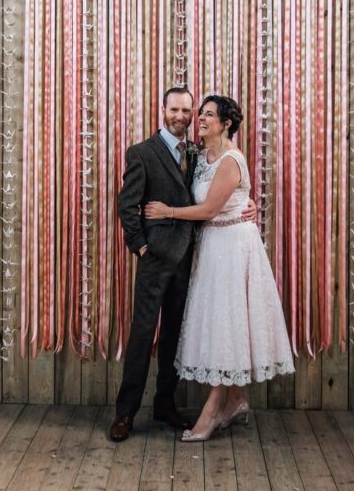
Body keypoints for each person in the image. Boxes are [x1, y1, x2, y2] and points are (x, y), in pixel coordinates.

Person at [144, 95, 294, 442]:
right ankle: (236, 400)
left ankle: (212, 409)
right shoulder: (200, 155)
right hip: (212, 247)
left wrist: (167, 211)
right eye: (201, 114)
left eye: (208, 115)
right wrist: (247, 202)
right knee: (220, 322)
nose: (200, 119)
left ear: (226, 124)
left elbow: (210, 209)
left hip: (233, 247)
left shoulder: (230, 159)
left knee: (229, 321)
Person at [109, 87, 255, 442]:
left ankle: (165, 405)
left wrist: (249, 207)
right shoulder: (142, 152)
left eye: (187, 111)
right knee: (143, 336)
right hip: (155, 259)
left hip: (191, 260)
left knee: (175, 335)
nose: (182, 116)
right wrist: (141, 247)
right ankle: (125, 414)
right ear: (163, 110)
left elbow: (223, 193)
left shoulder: (198, 153)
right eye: (175, 109)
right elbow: (127, 206)